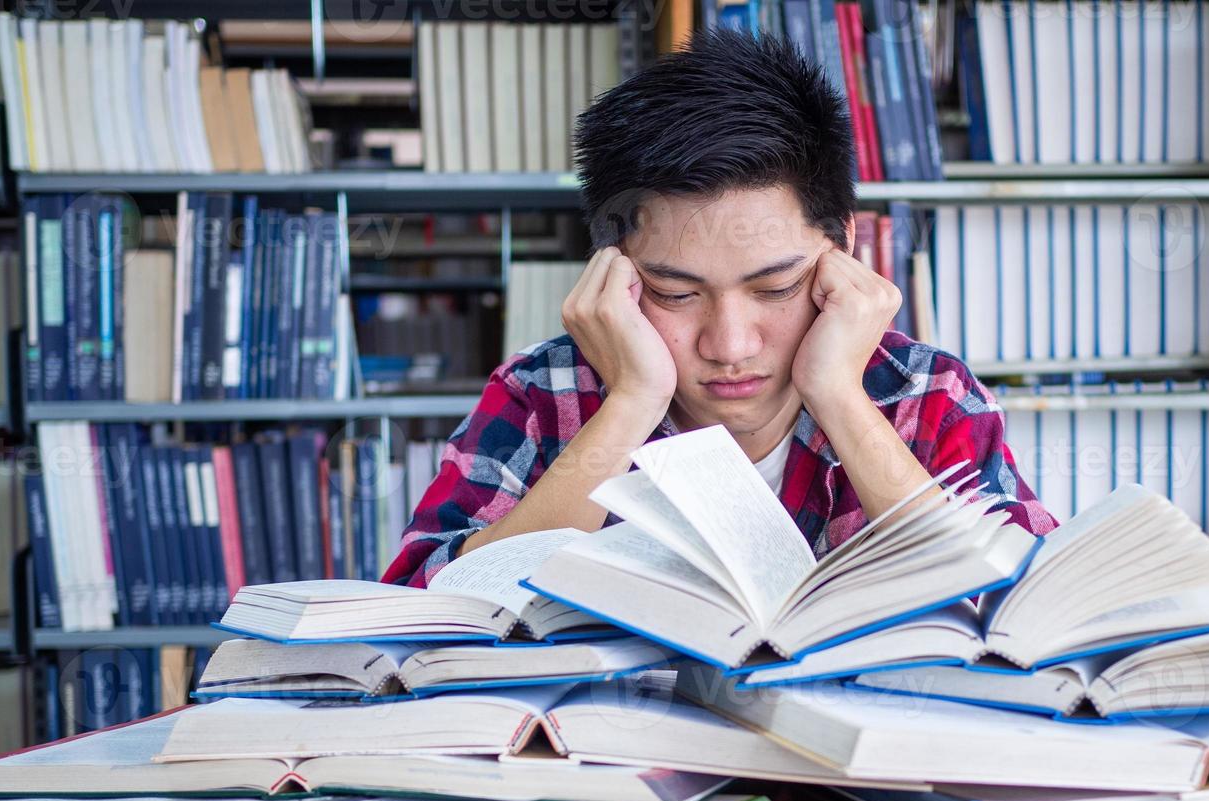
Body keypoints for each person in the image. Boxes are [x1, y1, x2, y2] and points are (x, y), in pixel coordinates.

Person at [383, 28, 1055, 588]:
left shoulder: (925, 393)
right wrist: (629, 405)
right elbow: (421, 609)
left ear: (841, 245)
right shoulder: (542, 392)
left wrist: (839, 397)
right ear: (613, 269)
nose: (729, 345)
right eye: (675, 293)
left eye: (775, 289)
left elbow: (1026, 613)